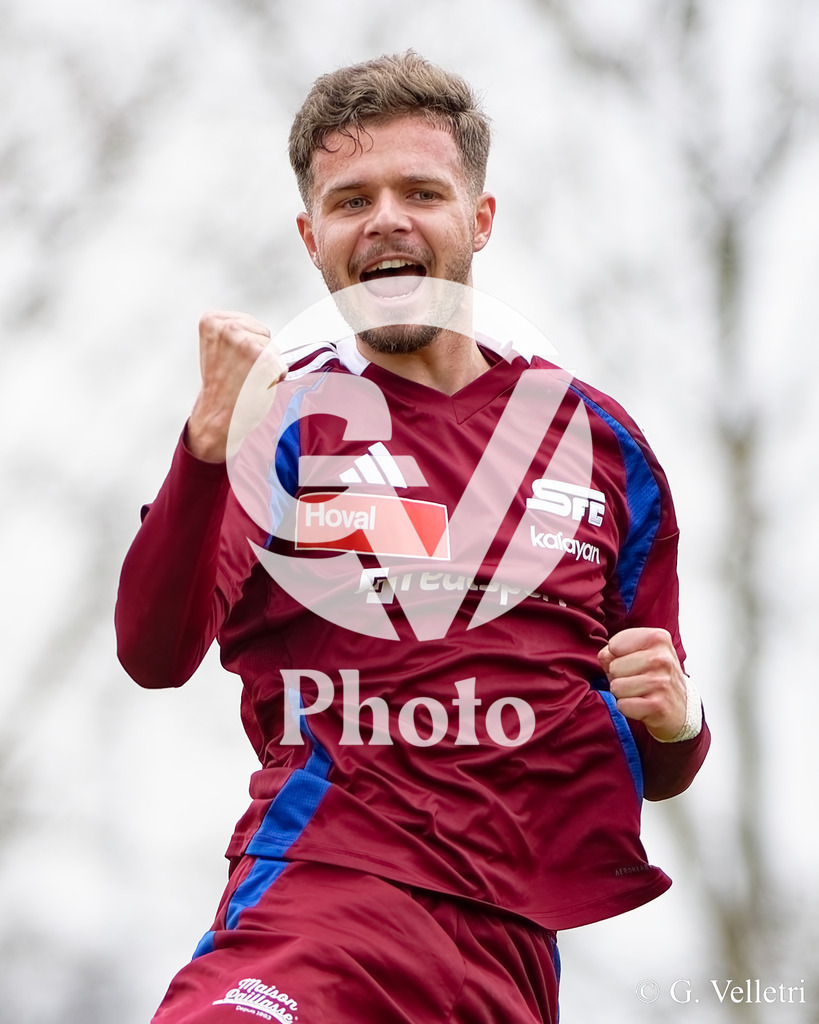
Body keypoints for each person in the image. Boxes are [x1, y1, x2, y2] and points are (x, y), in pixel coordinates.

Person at [116, 50, 710, 1024]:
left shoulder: (604, 449)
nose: (386, 217)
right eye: (352, 200)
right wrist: (205, 450)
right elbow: (151, 650)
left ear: (478, 218)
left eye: (420, 191)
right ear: (314, 237)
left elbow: (657, 756)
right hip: (319, 910)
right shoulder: (277, 429)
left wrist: (679, 720)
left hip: (511, 957)